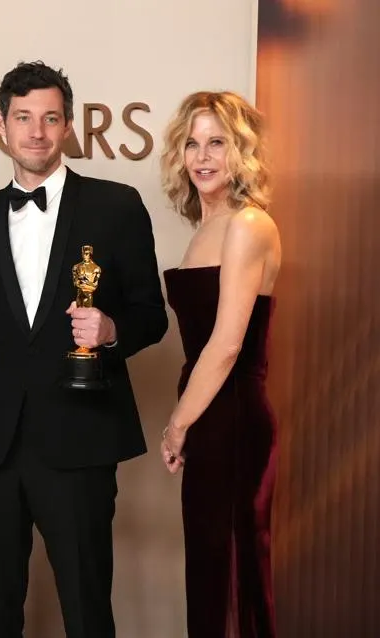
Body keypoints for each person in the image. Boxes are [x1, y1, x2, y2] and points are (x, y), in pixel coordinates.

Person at [0, 61, 168, 638]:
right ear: (0, 126)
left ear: (68, 126)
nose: (37, 131)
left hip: (80, 437)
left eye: (50, 118)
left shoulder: (116, 205)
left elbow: (151, 315)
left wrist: (109, 331)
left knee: (86, 610)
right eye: (24, 118)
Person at [160, 91, 280, 638]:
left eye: (217, 143)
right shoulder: (205, 227)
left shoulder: (248, 224)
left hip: (231, 414)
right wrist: (187, 421)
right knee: (210, 567)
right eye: (192, 143)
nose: (202, 156)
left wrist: (177, 423)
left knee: (233, 565)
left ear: (241, 153)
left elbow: (226, 344)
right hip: (209, 411)